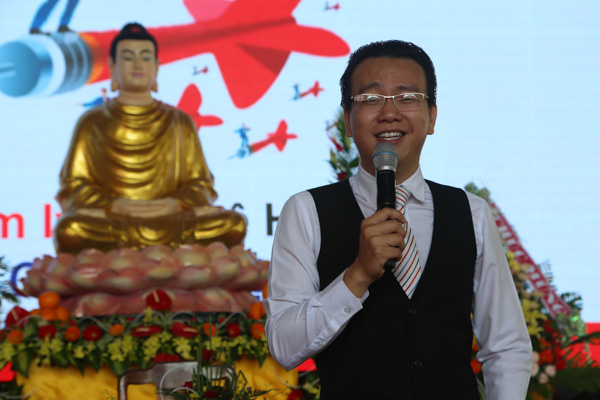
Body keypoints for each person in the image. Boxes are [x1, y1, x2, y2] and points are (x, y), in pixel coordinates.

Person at [264, 40, 532, 400]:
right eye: (371, 99)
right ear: (347, 119)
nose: (389, 113)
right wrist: (357, 275)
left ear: (432, 116)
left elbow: (506, 346)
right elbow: (283, 347)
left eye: (407, 98)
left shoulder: (472, 212)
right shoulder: (305, 211)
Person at [54, 23, 246, 255]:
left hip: (170, 217)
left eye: (145, 58)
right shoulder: (92, 122)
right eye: (128, 57)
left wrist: (172, 205)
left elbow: (201, 185)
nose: (137, 64)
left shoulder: (179, 121)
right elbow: (74, 185)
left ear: (156, 67)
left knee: (234, 224)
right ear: (112, 67)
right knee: (71, 229)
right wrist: (116, 205)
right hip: (114, 219)